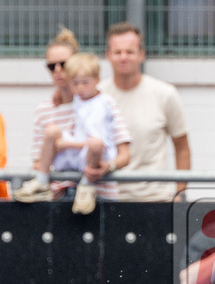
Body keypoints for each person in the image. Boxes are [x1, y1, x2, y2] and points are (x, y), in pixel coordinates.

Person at [14, 52, 131, 215]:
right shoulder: (71, 101)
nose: (58, 70)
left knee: (95, 144)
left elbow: (105, 144)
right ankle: (41, 181)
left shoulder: (104, 104)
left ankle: (86, 186)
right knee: (53, 130)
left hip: (100, 183)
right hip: (64, 187)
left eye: (64, 64)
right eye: (51, 66)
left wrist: (108, 165)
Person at [98, 22, 191, 201]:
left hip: (154, 199)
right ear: (108, 55)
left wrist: (181, 193)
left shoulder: (164, 93)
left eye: (130, 51)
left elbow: (182, 147)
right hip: (106, 198)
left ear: (141, 54)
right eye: (117, 52)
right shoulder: (96, 95)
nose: (123, 57)